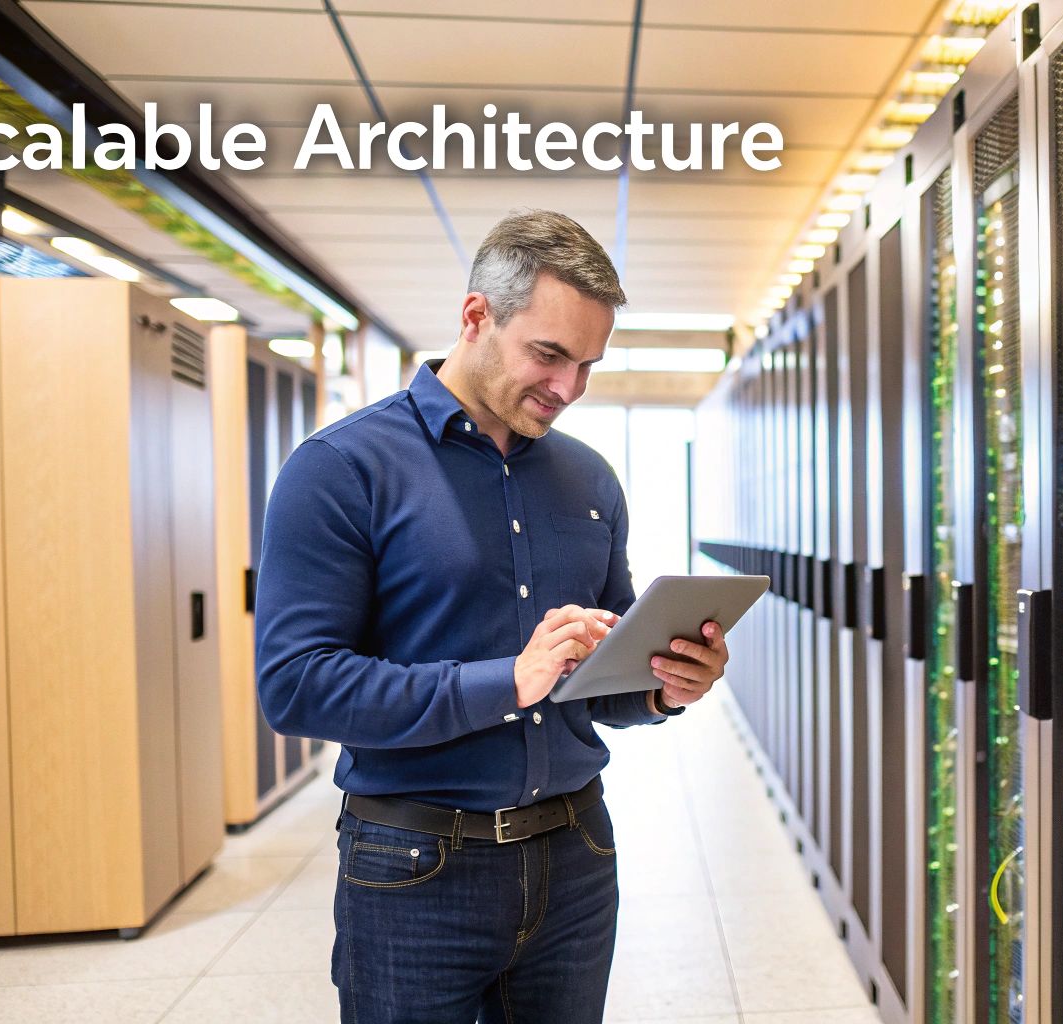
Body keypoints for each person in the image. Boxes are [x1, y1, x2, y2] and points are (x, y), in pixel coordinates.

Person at [254, 209, 730, 1023]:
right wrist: (507, 680)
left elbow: (596, 676)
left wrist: (662, 685)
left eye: (587, 364)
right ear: (476, 316)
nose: (568, 388)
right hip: (412, 867)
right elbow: (296, 686)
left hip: (575, 854)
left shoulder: (589, 480)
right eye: (548, 354)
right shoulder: (341, 469)